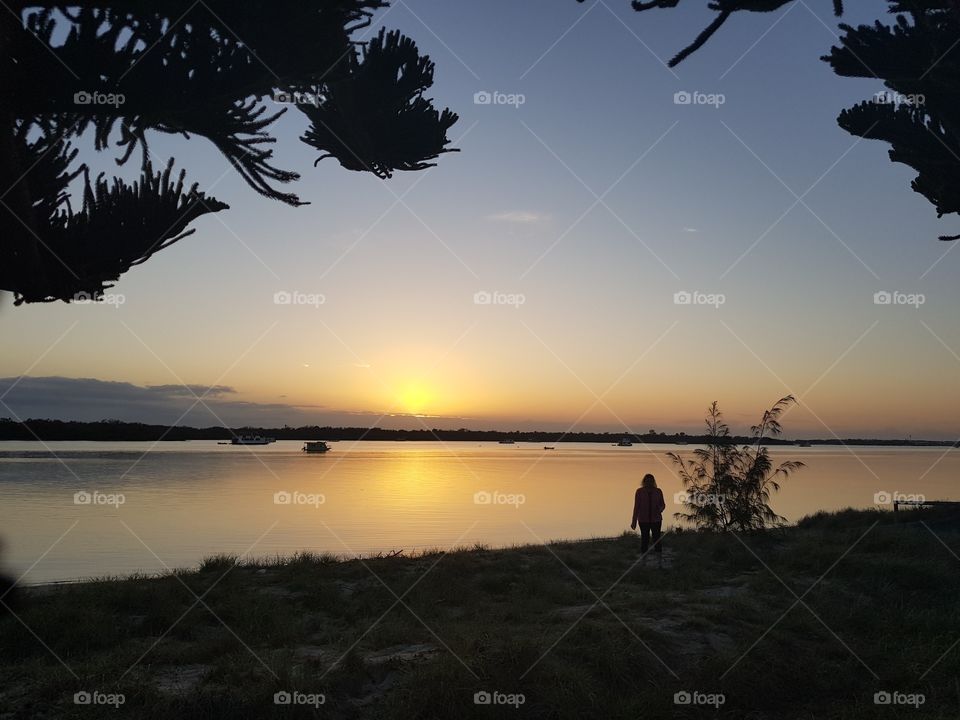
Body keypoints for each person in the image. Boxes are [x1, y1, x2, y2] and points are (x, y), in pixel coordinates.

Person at [630, 473, 665, 558]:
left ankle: (659, 558)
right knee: (645, 539)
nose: (649, 483)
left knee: (657, 538)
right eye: (647, 481)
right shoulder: (639, 492)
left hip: (656, 519)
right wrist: (634, 521)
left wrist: (660, 509)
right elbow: (636, 507)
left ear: (653, 482)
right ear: (644, 482)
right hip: (643, 519)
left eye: (651, 481)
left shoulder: (658, 491)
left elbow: (663, 504)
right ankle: (644, 558)